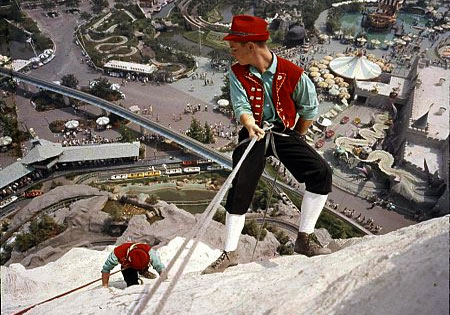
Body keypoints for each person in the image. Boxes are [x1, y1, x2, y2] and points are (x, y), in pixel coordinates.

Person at [202, 15, 332, 275]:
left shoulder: (293, 74)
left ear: (251, 46)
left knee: (321, 173)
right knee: (240, 188)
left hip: (284, 132)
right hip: (254, 133)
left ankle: (304, 238)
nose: (232, 52)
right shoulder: (237, 71)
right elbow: (241, 104)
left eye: (235, 47)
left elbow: (309, 110)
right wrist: (249, 123)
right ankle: (229, 252)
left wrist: (296, 135)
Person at [101, 242, 166, 287]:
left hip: (143, 263)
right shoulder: (118, 253)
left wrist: (165, 280)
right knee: (131, 281)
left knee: (144, 265)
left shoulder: (149, 252)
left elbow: (159, 266)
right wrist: (105, 285)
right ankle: (133, 284)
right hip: (128, 267)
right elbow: (106, 269)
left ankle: (143, 271)